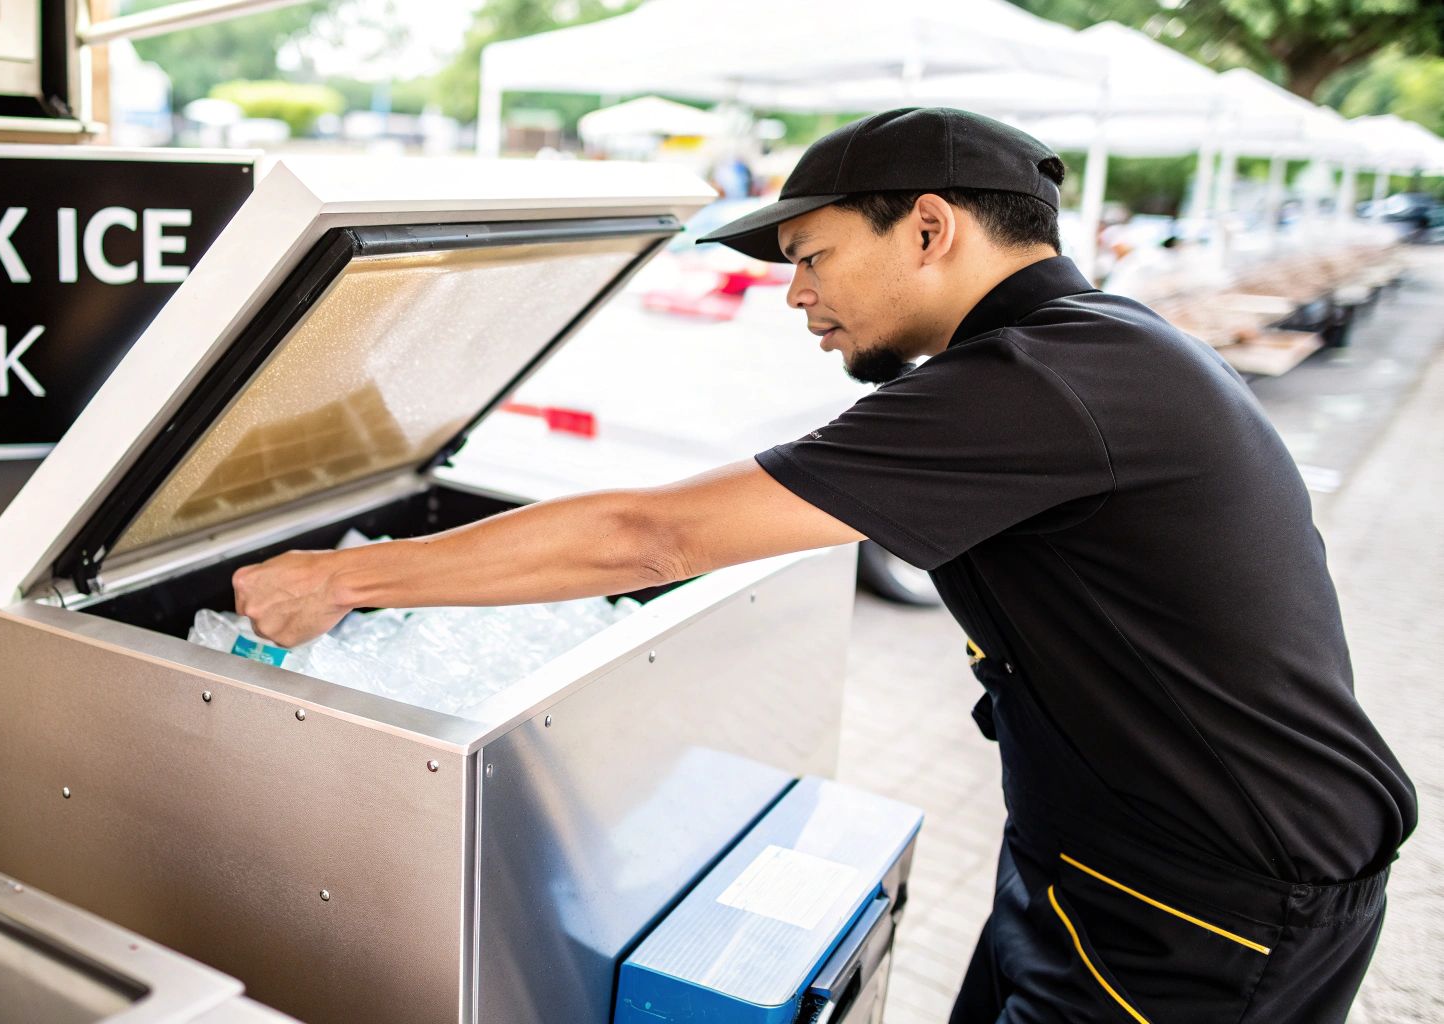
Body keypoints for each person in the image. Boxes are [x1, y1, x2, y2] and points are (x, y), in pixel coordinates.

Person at [231, 107, 1414, 1022]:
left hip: (1211, 902)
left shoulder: (1031, 384)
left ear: (931, 228)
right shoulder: (1083, 348)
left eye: (811, 255)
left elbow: (655, 536)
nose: (792, 295)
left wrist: (346, 579)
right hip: (1095, 857)